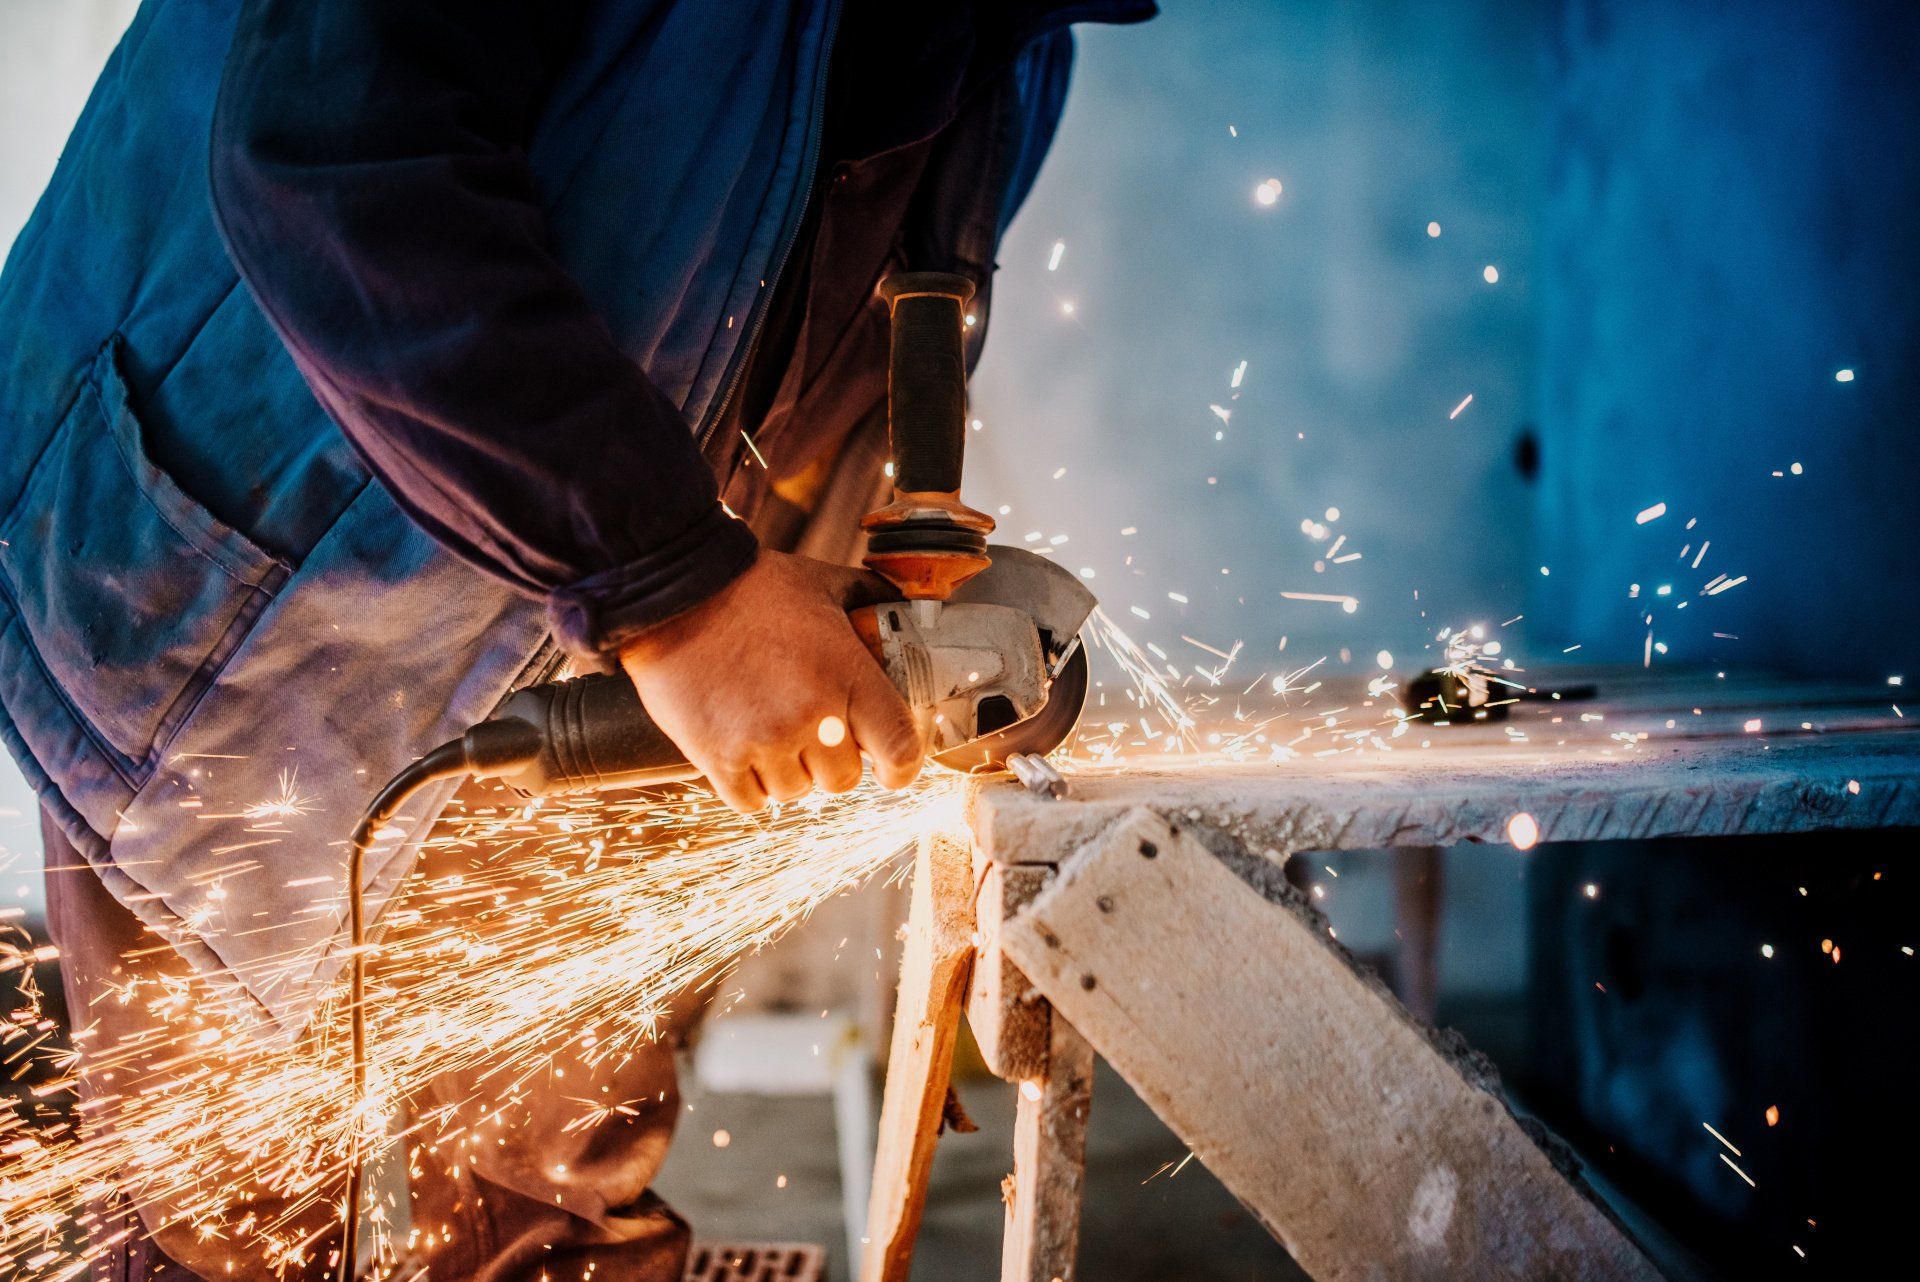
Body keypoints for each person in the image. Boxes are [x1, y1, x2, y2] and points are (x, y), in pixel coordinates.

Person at [0, 0, 1154, 1276]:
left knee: (565, 1162)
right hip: (244, 598)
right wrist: (673, 588)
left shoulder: (1015, 44)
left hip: (617, 621)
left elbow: (813, 344)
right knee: (228, 1204)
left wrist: (788, 608)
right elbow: (330, 150)